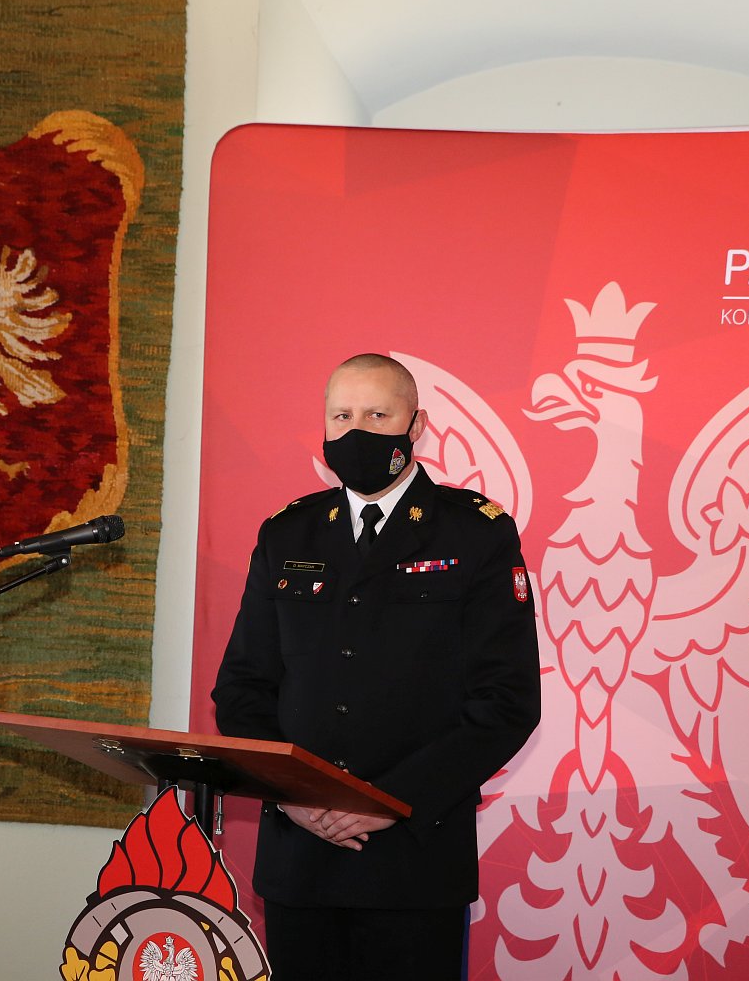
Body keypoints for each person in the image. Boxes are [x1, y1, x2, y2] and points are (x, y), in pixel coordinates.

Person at [211, 353, 541, 980]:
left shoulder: (475, 533)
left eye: (376, 415)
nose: (356, 430)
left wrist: (392, 802)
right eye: (341, 416)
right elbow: (243, 687)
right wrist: (292, 795)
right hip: (300, 859)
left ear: (417, 426)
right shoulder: (288, 534)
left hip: (413, 860)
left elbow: (507, 700)